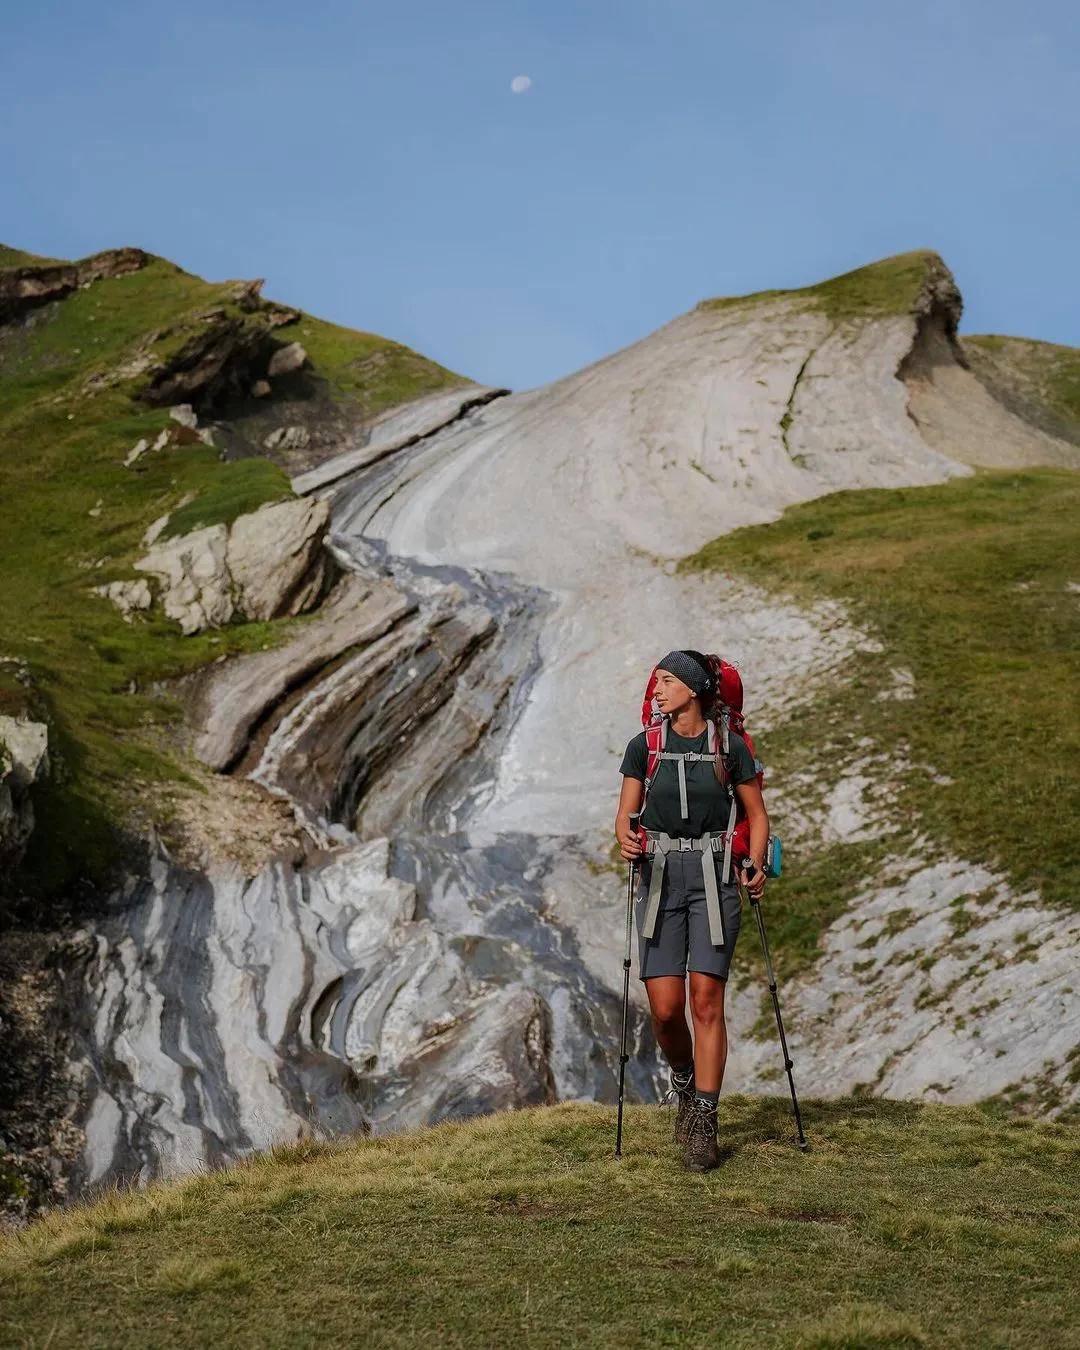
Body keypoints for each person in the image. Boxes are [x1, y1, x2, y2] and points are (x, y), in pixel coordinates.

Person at [614, 649, 769, 1171]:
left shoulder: (730, 748)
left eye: (665, 682)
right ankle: (682, 1080)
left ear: (694, 688)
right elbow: (624, 815)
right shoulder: (644, 747)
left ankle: (704, 1117)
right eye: (655, 682)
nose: (655, 691)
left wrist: (755, 863)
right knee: (663, 1009)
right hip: (659, 878)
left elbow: (756, 815)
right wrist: (626, 841)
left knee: (706, 999)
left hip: (714, 877)